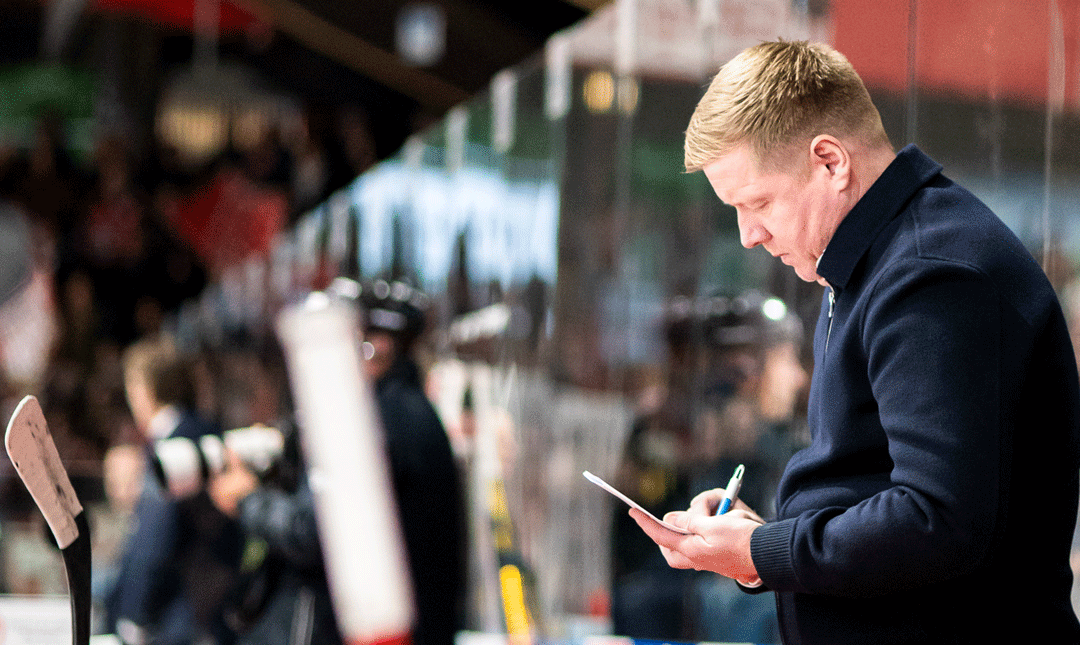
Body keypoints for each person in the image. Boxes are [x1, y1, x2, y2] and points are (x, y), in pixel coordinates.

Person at [629, 40, 1080, 644]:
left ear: (830, 161)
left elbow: (936, 520)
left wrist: (765, 550)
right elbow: (875, 493)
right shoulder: (873, 265)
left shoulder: (929, 273)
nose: (747, 235)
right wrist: (755, 545)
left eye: (757, 202)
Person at [331, 277, 468, 645]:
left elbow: (337, 525)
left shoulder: (389, 418)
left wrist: (255, 505)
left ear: (383, 344)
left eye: (362, 340)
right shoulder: (409, 408)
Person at [105, 336, 246, 645]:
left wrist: (133, 614)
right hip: (209, 608)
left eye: (132, 385)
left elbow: (155, 536)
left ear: (148, 389)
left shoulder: (173, 448)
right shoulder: (204, 430)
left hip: (179, 616)